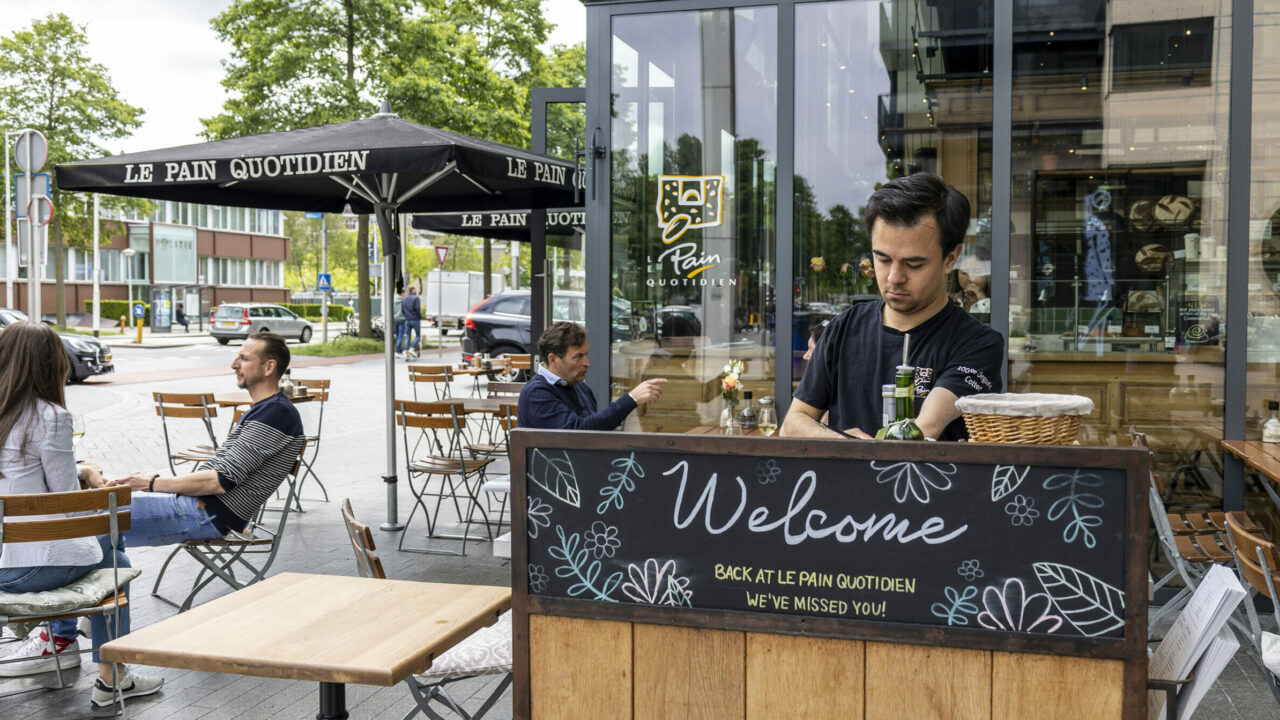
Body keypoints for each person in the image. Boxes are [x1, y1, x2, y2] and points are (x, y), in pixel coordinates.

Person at [0, 321, 163, 708]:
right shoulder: (50, 417)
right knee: (115, 556)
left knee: (107, 544)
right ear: (49, 366)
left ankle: (63, 636)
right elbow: (67, 501)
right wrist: (91, 478)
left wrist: (80, 470)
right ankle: (111, 676)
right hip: (27, 571)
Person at [782, 173, 1003, 441]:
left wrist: (852, 447)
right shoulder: (843, 328)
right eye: (883, 259)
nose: (893, 277)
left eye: (914, 264)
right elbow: (792, 424)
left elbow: (921, 430)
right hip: (844, 483)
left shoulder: (978, 343)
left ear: (951, 258)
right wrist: (842, 443)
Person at [105, 332, 305, 549]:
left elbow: (219, 481)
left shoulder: (276, 413)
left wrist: (151, 484)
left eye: (245, 359)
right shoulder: (267, 410)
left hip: (206, 515)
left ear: (268, 368)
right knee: (97, 526)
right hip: (200, 509)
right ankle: (113, 580)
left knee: (92, 520)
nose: (233, 365)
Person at [518, 322, 666, 431]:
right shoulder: (537, 393)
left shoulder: (578, 385)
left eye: (586, 354)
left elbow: (595, 429)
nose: (587, 363)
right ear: (553, 359)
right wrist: (631, 399)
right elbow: (581, 432)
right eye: (578, 357)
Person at [401, 285, 422, 359]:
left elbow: (402, 310)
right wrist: (420, 317)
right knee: (418, 336)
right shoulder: (416, 298)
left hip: (407, 320)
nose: (416, 291)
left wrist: (406, 316)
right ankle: (412, 348)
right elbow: (417, 309)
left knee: (408, 336)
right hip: (415, 319)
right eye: (415, 289)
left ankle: (406, 351)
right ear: (413, 290)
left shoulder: (404, 299)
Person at [392, 288, 407, 359]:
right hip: (402, 319)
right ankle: (397, 351)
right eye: (405, 293)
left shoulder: (393, 300)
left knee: (397, 336)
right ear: (402, 293)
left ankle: (400, 351)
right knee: (401, 336)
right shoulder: (404, 301)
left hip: (395, 320)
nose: (405, 294)